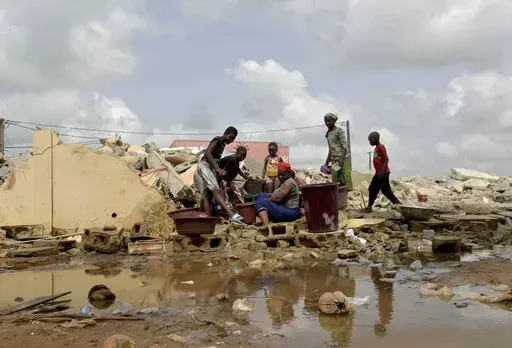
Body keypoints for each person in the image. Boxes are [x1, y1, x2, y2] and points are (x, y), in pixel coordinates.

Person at [194, 126, 244, 223]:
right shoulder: (217, 139)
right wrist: (217, 168)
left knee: (207, 194)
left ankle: (207, 219)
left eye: (233, 139)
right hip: (205, 166)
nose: (231, 141)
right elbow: (208, 153)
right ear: (225, 133)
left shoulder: (223, 144)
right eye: (230, 137)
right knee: (216, 190)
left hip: (210, 168)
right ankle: (231, 214)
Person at [365, 131, 402, 213]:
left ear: (375, 139)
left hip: (383, 173)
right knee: (372, 188)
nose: (369, 142)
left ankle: (399, 205)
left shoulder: (381, 147)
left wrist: (382, 171)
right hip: (378, 173)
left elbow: (386, 159)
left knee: (386, 190)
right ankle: (369, 206)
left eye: (370, 140)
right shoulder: (376, 148)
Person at [324, 113, 353, 191]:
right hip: (334, 160)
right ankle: (340, 196)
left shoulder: (339, 131)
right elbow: (330, 149)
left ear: (334, 121)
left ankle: (350, 195)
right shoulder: (328, 134)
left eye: (329, 121)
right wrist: (327, 161)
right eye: (326, 121)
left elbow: (345, 146)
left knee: (346, 177)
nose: (327, 123)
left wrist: (341, 158)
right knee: (336, 180)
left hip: (344, 158)